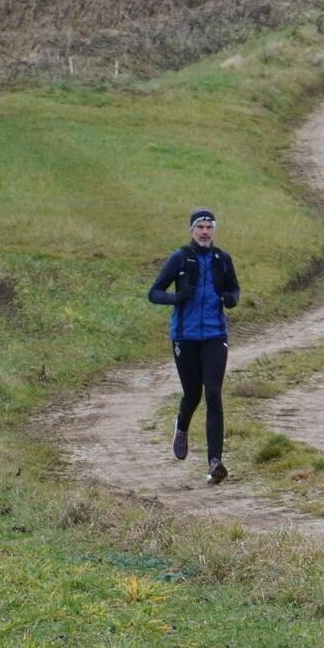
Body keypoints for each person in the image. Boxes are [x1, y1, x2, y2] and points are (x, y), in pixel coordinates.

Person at [147, 207, 240, 485]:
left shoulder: (222, 259)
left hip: (214, 334)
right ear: (192, 230)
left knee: (213, 392)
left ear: (214, 230)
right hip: (184, 336)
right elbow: (154, 293)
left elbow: (235, 288)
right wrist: (177, 298)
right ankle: (182, 427)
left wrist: (230, 298)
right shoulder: (180, 258)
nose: (205, 232)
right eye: (200, 227)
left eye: (209, 227)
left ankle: (215, 462)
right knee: (192, 394)